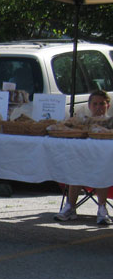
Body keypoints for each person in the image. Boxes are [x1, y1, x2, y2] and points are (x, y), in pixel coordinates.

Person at [55, 89, 112, 226]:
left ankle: (102, 209)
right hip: (84, 159)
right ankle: (70, 206)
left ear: (107, 105)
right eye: (95, 104)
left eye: (101, 104)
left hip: (105, 162)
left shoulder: (110, 122)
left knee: (101, 169)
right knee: (75, 167)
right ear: (89, 105)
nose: (98, 107)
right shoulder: (82, 122)